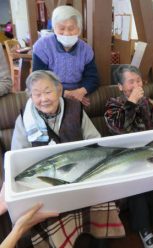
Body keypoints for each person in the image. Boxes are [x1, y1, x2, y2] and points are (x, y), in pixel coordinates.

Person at [11, 70, 124, 247]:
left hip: (82, 174)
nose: (44, 99)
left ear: (59, 89)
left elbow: (94, 140)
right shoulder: (24, 120)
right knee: (49, 213)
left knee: (103, 200)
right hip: (47, 184)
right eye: (37, 94)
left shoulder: (75, 109)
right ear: (30, 96)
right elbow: (18, 158)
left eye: (48, 92)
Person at [104, 65, 153, 248]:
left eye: (138, 81)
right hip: (126, 156)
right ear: (120, 86)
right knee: (137, 185)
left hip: (150, 152)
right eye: (131, 82)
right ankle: (143, 228)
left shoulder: (149, 103)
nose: (136, 85)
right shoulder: (113, 105)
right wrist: (132, 103)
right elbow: (119, 129)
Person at [32, 5, 99, 107]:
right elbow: (39, 79)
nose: (67, 33)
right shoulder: (42, 46)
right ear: (54, 28)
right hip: (49, 94)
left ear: (79, 29)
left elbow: (93, 78)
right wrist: (65, 93)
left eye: (71, 28)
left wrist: (80, 92)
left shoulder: (86, 50)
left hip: (78, 93)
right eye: (61, 28)